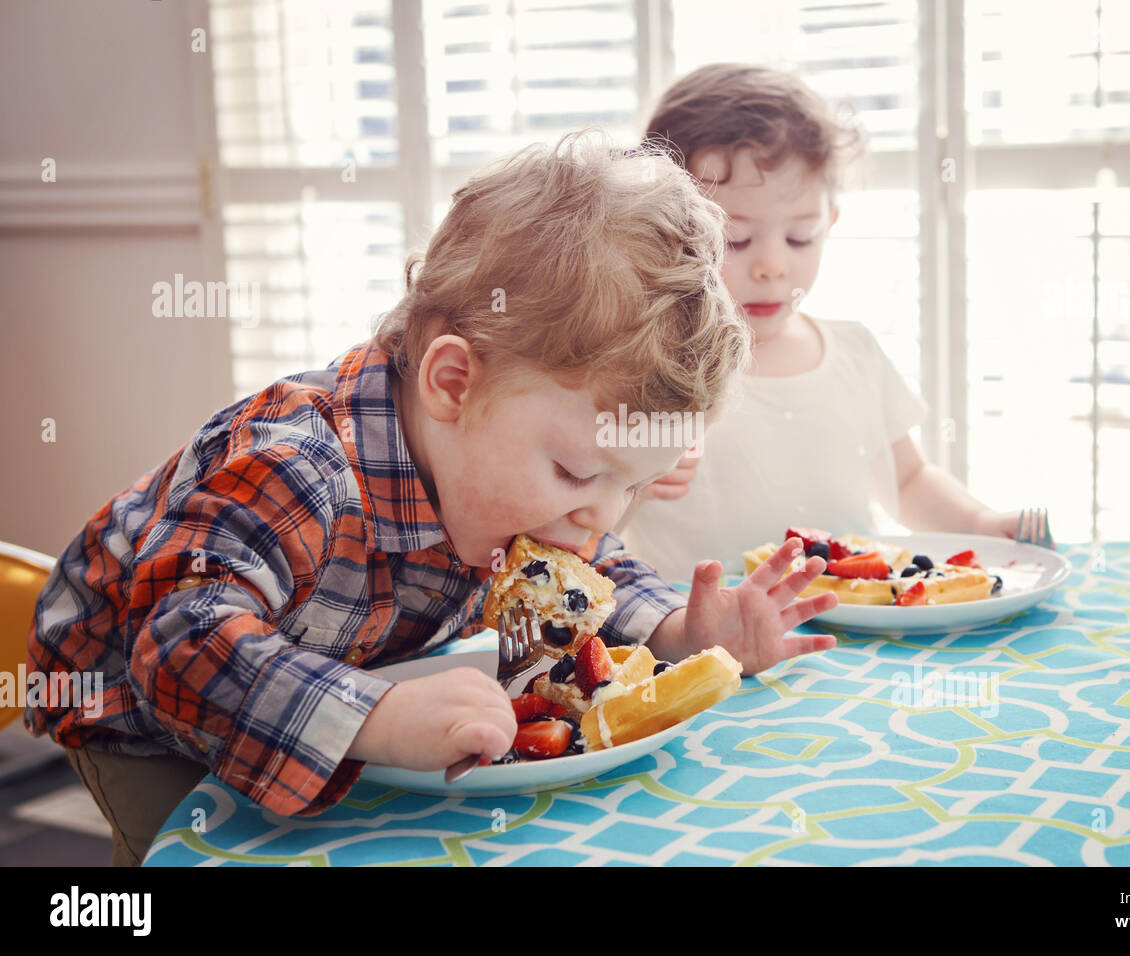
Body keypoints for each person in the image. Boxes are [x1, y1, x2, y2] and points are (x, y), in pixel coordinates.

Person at [24, 132, 837, 866]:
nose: (601, 519)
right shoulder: (299, 469)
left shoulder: (511, 478)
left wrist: (682, 630)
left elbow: (582, 580)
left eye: (629, 486)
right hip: (135, 712)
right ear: (453, 382)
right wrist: (373, 716)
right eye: (581, 476)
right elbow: (180, 647)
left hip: (332, 668)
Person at [619, 64, 1026, 583]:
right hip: (699, 646)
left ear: (830, 221)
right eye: (736, 240)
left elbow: (909, 479)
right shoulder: (644, 365)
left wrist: (980, 523)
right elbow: (586, 513)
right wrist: (633, 476)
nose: (772, 266)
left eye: (801, 236)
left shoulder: (853, 353)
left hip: (849, 636)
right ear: (665, 232)